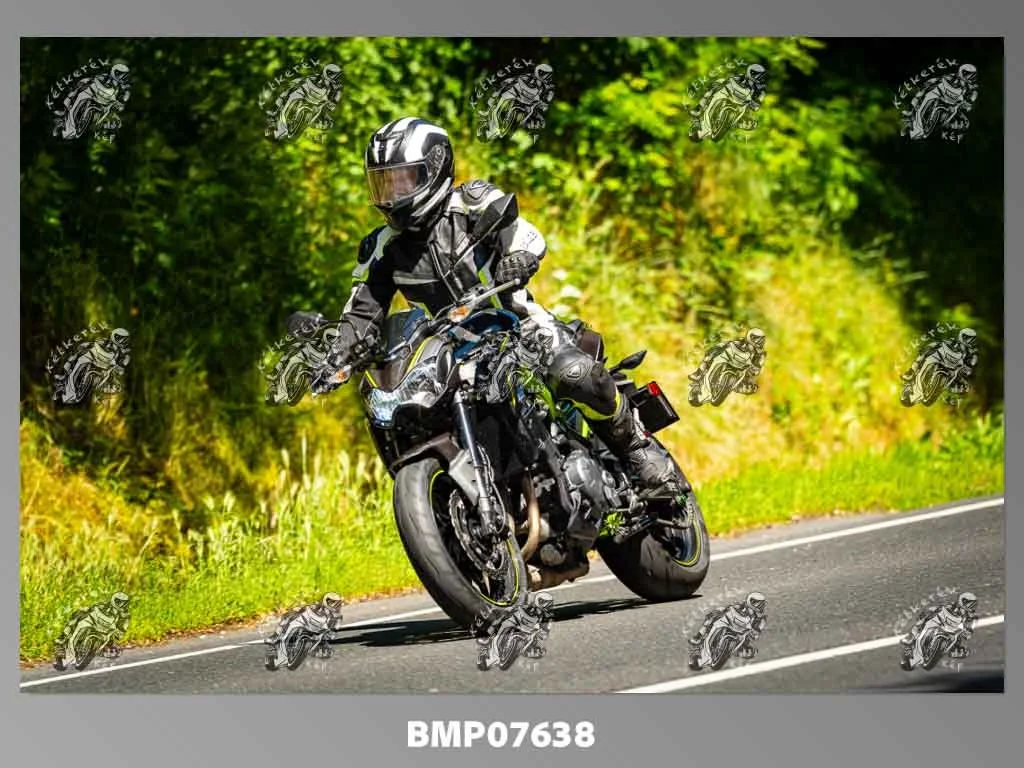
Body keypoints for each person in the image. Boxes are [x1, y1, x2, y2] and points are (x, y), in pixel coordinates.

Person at [310, 117, 681, 495]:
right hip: (447, 353)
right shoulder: (383, 246)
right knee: (413, 420)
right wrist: (335, 356)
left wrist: (518, 257)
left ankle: (636, 448)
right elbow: (361, 312)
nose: (392, 195)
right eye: (384, 183)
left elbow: (523, 234)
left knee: (573, 372)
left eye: (403, 180)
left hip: (517, 328)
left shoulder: (471, 202)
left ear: (434, 168)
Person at [53, 592, 131, 670]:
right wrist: (84, 611)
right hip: (91, 622)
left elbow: (123, 627)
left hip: (106, 631)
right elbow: (90, 608)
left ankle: (103, 649)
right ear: (114, 599)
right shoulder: (103, 604)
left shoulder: (125, 615)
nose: (121, 604)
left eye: (123, 603)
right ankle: (62, 641)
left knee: (112, 643)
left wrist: (118, 635)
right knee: (76, 619)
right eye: (119, 601)